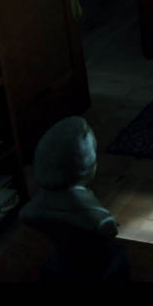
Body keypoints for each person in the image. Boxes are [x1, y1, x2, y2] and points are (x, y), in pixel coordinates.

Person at [19, 115, 129, 280]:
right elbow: (108, 229)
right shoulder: (98, 220)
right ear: (88, 166)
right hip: (94, 266)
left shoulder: (31, 211)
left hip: (64, 261)